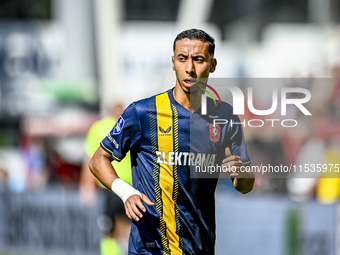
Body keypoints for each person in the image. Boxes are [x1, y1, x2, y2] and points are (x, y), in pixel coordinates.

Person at [89, 29, 255, 255]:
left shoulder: (224, 117)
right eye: (182, 59)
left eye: (198, 60)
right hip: (150, 247)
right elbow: (98, 159)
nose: (190, 69)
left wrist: (241, 174)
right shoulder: (142, 113)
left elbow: (245, 185)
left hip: (199, 246)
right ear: (173, 63)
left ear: (213, 64)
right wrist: (125, 192)